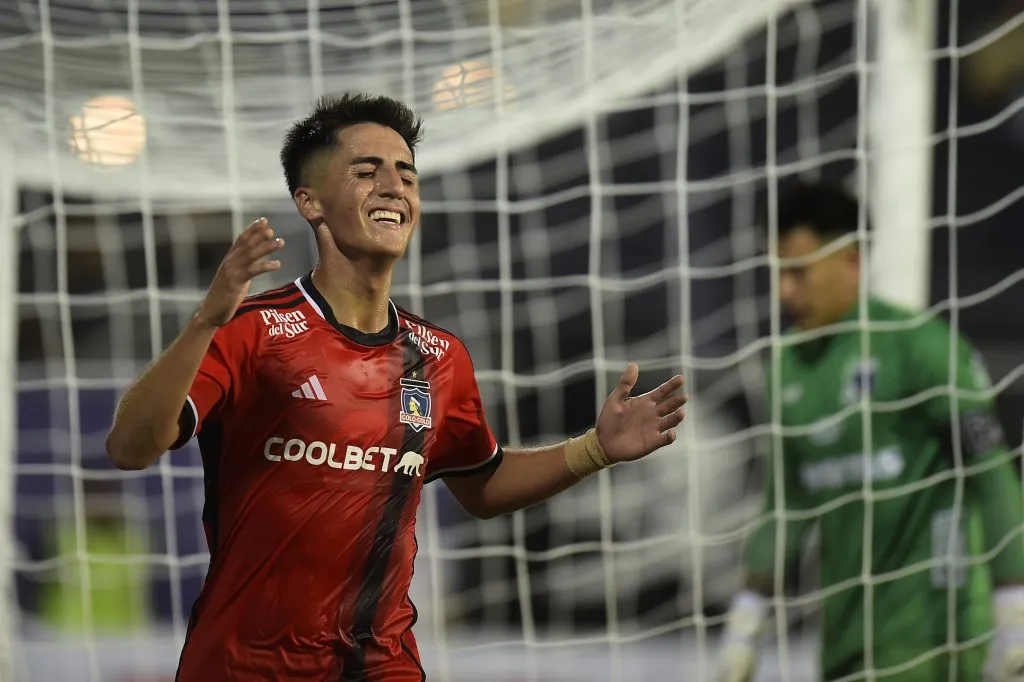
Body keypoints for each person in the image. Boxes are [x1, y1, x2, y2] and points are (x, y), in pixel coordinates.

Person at [105, 92, 688, 681]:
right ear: (309, 202)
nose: (393, 186)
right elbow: (130, 448)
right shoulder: (253, 331)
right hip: (243, 667)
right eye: (366, 171)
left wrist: (596, 449)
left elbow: (481, 484)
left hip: (382, 665)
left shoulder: (441, 356)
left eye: (406, 174)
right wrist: (206, 321)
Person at [716, 181, 1024, 682]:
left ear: (852, 261)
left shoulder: (922, 348)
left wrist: (1014, 610)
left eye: (799, 273)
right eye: (778, 274)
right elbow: (785, 507)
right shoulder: (787, 366)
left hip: (941, 641)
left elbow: (993, 477)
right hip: (846, 646)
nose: (784, 292)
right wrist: (745, 621)